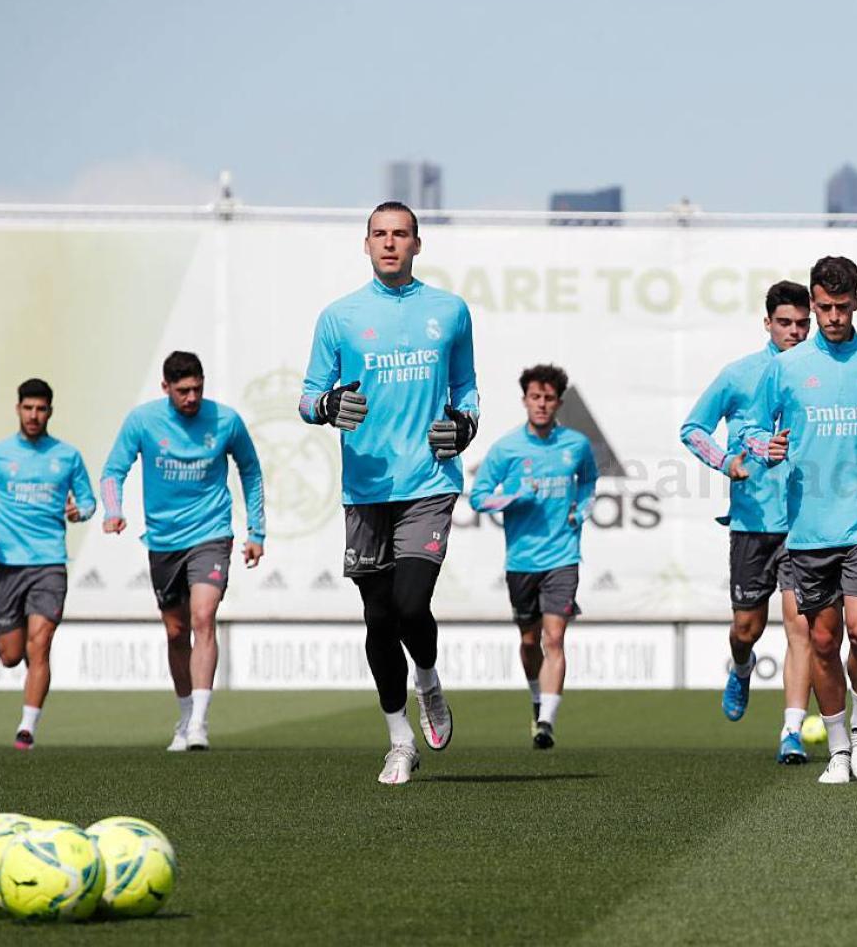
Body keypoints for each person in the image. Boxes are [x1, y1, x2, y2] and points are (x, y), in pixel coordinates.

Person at [298, 201, 479, 785]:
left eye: (401, 234)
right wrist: (326, 407)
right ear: (366, 243)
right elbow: (306, 397)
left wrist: (465, 425)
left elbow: (467, 388)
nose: (390, 243)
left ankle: (428, 680)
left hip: (429, 482)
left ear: (418, 245)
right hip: (365, 488)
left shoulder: (448, 311)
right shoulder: (340, 317)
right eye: (380, 234)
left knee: (408, 605)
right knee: (378, 620)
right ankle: (399, 740)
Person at [741, 255, 857, 784]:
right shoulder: (788, 366)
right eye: (824, 307)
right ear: (813, 303)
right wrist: (762, 445)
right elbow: (751, 425)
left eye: (842, 307)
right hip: (809, 527)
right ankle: (838, 747)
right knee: (823, 641)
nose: (833, 317)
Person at [679, 281, 817, 764]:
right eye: (785, 323)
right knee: (747, 628)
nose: (795, 332)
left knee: (800, 629)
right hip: (753, 524)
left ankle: (791, 732)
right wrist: (725, 462)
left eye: (803, 323)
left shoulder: (824, 372)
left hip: (808, 524)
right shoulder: (739, 375)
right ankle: (741, 668)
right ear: (768, 324)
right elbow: (692, 429)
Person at [101, 352, 265, 751]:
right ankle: (186, 714)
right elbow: (112, 472)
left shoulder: (226, 420)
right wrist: (113, 510)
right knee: (177, 632)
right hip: (163, 541)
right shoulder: (142, 421)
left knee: (203, 616)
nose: (191, 397)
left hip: (211, 534)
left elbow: (251, 471)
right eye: (183, 391)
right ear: (165, 388)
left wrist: (256, 531)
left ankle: (200, 725)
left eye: (197, 388)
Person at [470, 364, 597, 750]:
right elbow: (478, 497)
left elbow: (589, 479)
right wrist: (513, 497)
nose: (542, 405)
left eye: (549, 398)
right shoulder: (507, 448)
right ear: (525, 400)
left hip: (563, 555)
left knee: (554, 637)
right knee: (529, 642)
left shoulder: (576, 445)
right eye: (535, 397)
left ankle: (546, 722)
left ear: (559, 402)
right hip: (521, 561)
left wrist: (583, 507)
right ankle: (536, 697)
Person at [0, 379, 96, 749]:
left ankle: (27, 729)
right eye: (28, 408)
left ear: (50, 411)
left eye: (41, 409)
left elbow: (88, 502)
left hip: (50, 563)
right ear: (18, 409)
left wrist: (78, 511)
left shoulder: (66, 456)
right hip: (7, 564)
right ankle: (26, 679)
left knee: (41, 644)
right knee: (10, 655)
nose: (34, 415)